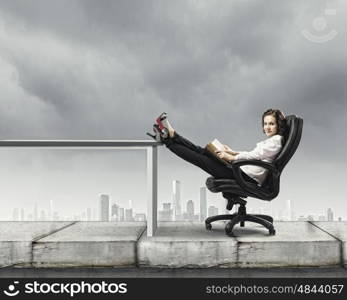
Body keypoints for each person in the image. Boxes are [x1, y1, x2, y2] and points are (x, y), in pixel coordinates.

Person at [147, 109, 287, 186]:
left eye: (271, 124)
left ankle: (168, 141)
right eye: (265, 123)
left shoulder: (275, 142)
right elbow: (254, 154)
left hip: (244, 176)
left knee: (200, 158)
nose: (267, 127)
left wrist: (231, 157)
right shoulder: (272, 141)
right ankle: (173, 135)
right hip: (241, 170)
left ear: (279, 125)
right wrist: (231, 151)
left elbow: (254, 157)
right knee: (202, 151)